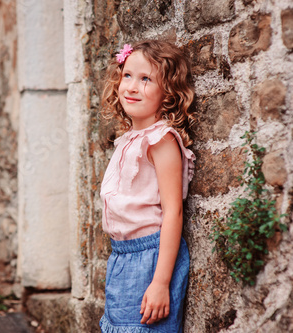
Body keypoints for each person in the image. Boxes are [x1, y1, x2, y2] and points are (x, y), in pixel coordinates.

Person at [99, 40, 196, 332]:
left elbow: (173, 213)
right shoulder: (129, 138)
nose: (131, 86)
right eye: (127, 75)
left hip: (150, 258)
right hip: (122, 256)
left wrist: (160, 282)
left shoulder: (161, 141)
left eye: (146, 80)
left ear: (168, 92)